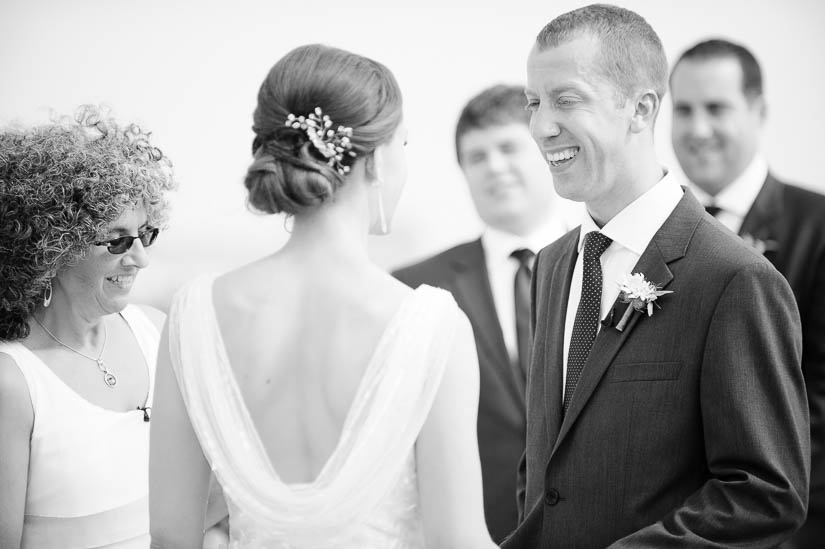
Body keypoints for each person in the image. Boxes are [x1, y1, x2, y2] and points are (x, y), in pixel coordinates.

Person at [148, 44, 497, 549]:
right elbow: (457, 540)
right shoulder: (431, 326)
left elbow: (170, 535)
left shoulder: (193, 313)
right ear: (376, 160)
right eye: (405, 144)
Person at [503, 5, 809, 548]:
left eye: (566, 100)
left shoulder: (734, 278)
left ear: (641, 109)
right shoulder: (552, 265)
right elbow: (547, 466)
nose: (541, 126)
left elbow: (765, 493)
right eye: (533, 102)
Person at [394, 84, 576, 542]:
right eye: (477, 157)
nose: (495, 167)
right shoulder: (413, 287)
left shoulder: (607, 261)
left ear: (545, 151)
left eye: (508, 148)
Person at [670, 39, 825, 548]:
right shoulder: (655, 233)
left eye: (716, 108)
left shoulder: (817, 225)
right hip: (671, 525)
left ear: (759, 111)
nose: (698, 130)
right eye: (684, 110)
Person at [0, 105, 175, 548]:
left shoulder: (157, 333)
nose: (140, 258)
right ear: (52, 246)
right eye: (116, 240)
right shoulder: (12, 383)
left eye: (146, 233)